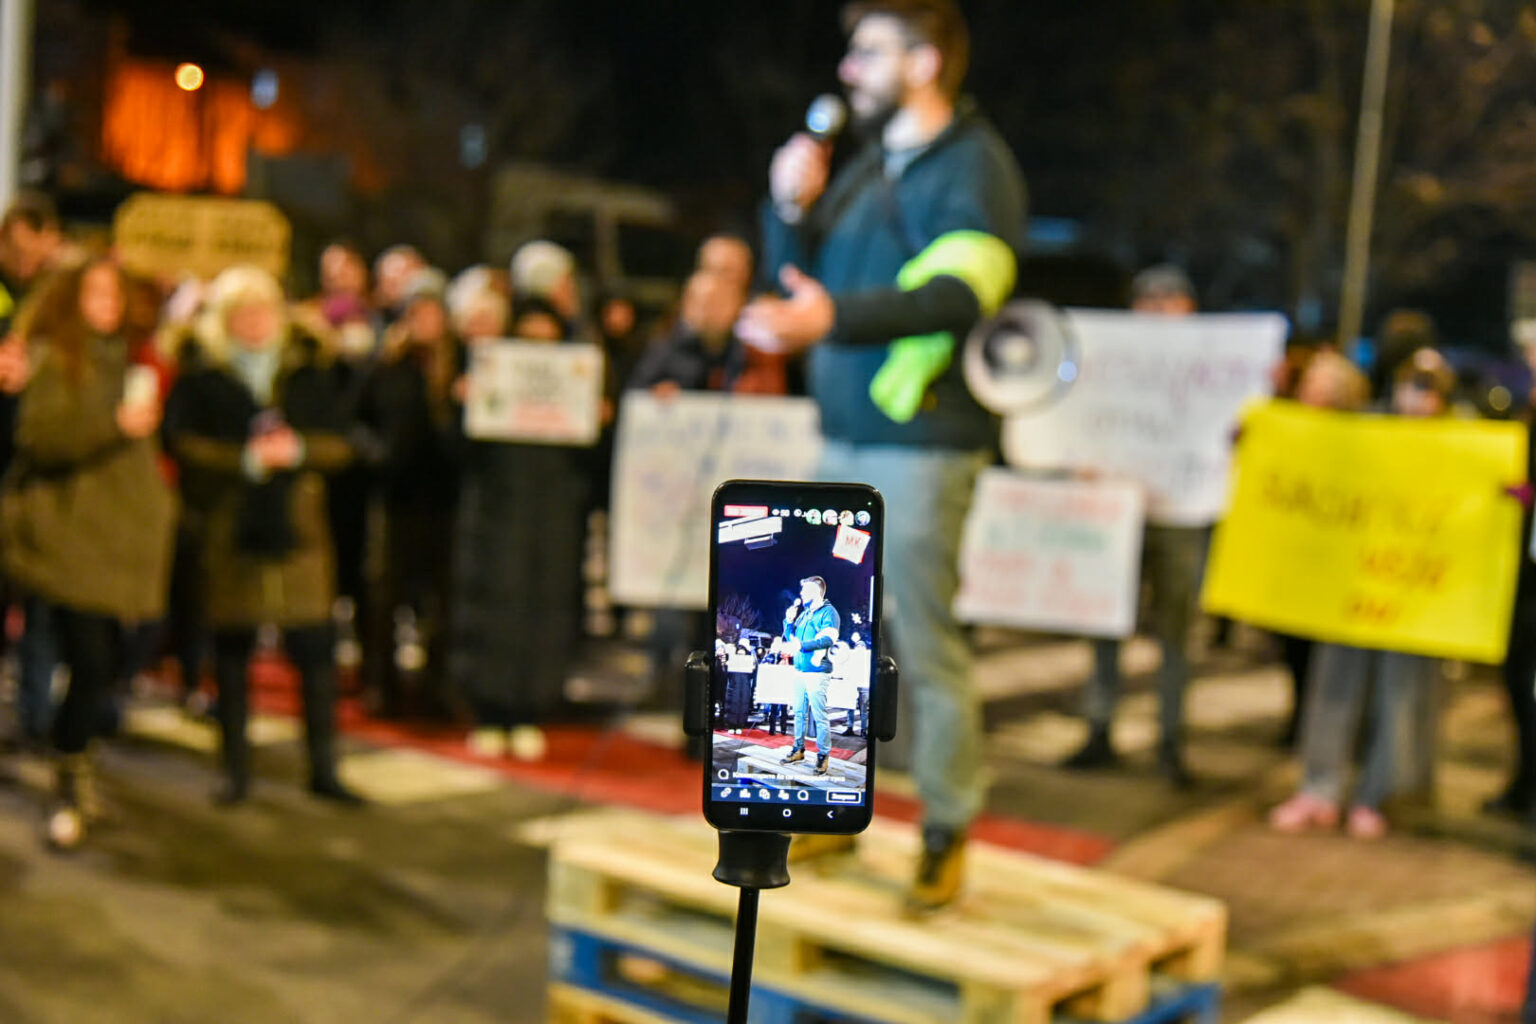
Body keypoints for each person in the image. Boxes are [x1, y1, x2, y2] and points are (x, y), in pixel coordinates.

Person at [738, 0, 1025, 910]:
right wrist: (787, 207)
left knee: (924, 640)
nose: (850, 69)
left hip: (922, 442)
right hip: (842, 435)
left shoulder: (973, 170)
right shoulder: (864, 170)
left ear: (926, 61)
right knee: (829, 648)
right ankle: (824, 811)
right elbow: (800, 283)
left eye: (870, 51)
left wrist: (835, 320)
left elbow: (955, 295)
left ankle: (946, 828)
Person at [163, 265, 362, 806]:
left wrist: (297, 452)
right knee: (232, 653)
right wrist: (244, 461)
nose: (254, 323)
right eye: (242, 314)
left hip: (301, 533)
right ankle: (236, 771)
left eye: (263, 311)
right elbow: (183, 443)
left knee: (315, 651)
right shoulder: (204, 379)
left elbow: (342, 443)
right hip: (233, 530)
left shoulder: (311, 373)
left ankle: (324, 767)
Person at [0, 258, 177, 848]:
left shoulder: (128, 358)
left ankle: (72, 762)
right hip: (69, 540)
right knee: (90, 659)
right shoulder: (54, 357)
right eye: (94, 290)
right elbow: (42, 439)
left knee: (109, 658)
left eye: (114, 291)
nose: (107, 301)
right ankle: (69, 775)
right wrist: (115, 424)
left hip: (113, 542)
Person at [1268, 348, 1457, 839]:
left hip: (1410, 597)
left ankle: (1380, 794)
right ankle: (1319, 788)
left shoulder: (1460, 444)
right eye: (1411, 385)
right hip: (1353, 587)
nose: (1418, 399)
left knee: (1400, 695)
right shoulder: (1367, 432)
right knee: (1333, 684)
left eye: (1429, 389)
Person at [1060, 263, 1206, 787]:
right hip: (1117, 513)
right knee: (1105, 625)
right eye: (1150, 298)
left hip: (1178, 514)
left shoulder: (1207, 369)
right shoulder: (1110, 362)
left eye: (1172, 298)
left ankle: (1172, 740)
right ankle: (1100, 728)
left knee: (1175, 633)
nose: (1160, 308)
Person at [778, 576, 841, 774]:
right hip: (800, 670)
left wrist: (802, 646)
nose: (801, 594)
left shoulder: (828, 612)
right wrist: (788, 623)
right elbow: (792, 640)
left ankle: (823, 755)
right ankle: (798, 749)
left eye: (805, 590)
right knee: (798, 712)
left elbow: (828, 639)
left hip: (817, 671)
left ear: (816, 591)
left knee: (819, 715)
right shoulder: (804, 614)